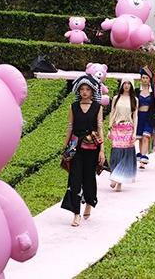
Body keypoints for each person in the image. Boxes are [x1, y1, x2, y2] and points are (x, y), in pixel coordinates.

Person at [61, 79, 105, 227]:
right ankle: (76, 213)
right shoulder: (73, 106)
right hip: (75, 147)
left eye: (87, 89)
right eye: (82, 89)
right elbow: (70, 127)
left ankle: (89, 203)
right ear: (78, 91)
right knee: (74, 179)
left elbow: (100, 127)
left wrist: (102, 150)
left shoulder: (97, 107)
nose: (84, 92)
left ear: (92, 92)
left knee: (89, 178)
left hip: (92, 147)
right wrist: (65, 147)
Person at [108, 79, 137, 192]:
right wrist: (109, 129)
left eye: (129, 84)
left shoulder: (134, 100)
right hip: (117, 128)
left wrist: (134, 132)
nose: (126, 85)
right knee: (116, 153)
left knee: (126, 154)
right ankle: (115, 176)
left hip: (128, 128)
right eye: (125, 83)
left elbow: (135, 116)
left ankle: (119, 181)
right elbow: (112, 113)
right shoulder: (116, 98)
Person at [136, 69, 155, 169]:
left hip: (148, 117)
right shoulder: (137, 91)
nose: (144, 79)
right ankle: (141, 155)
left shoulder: (153, 93)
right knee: (140, 138)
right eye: (143, 78)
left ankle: (143, 158)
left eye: (146, 78)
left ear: (149, 80)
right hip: (139, 116)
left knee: (146, 137)